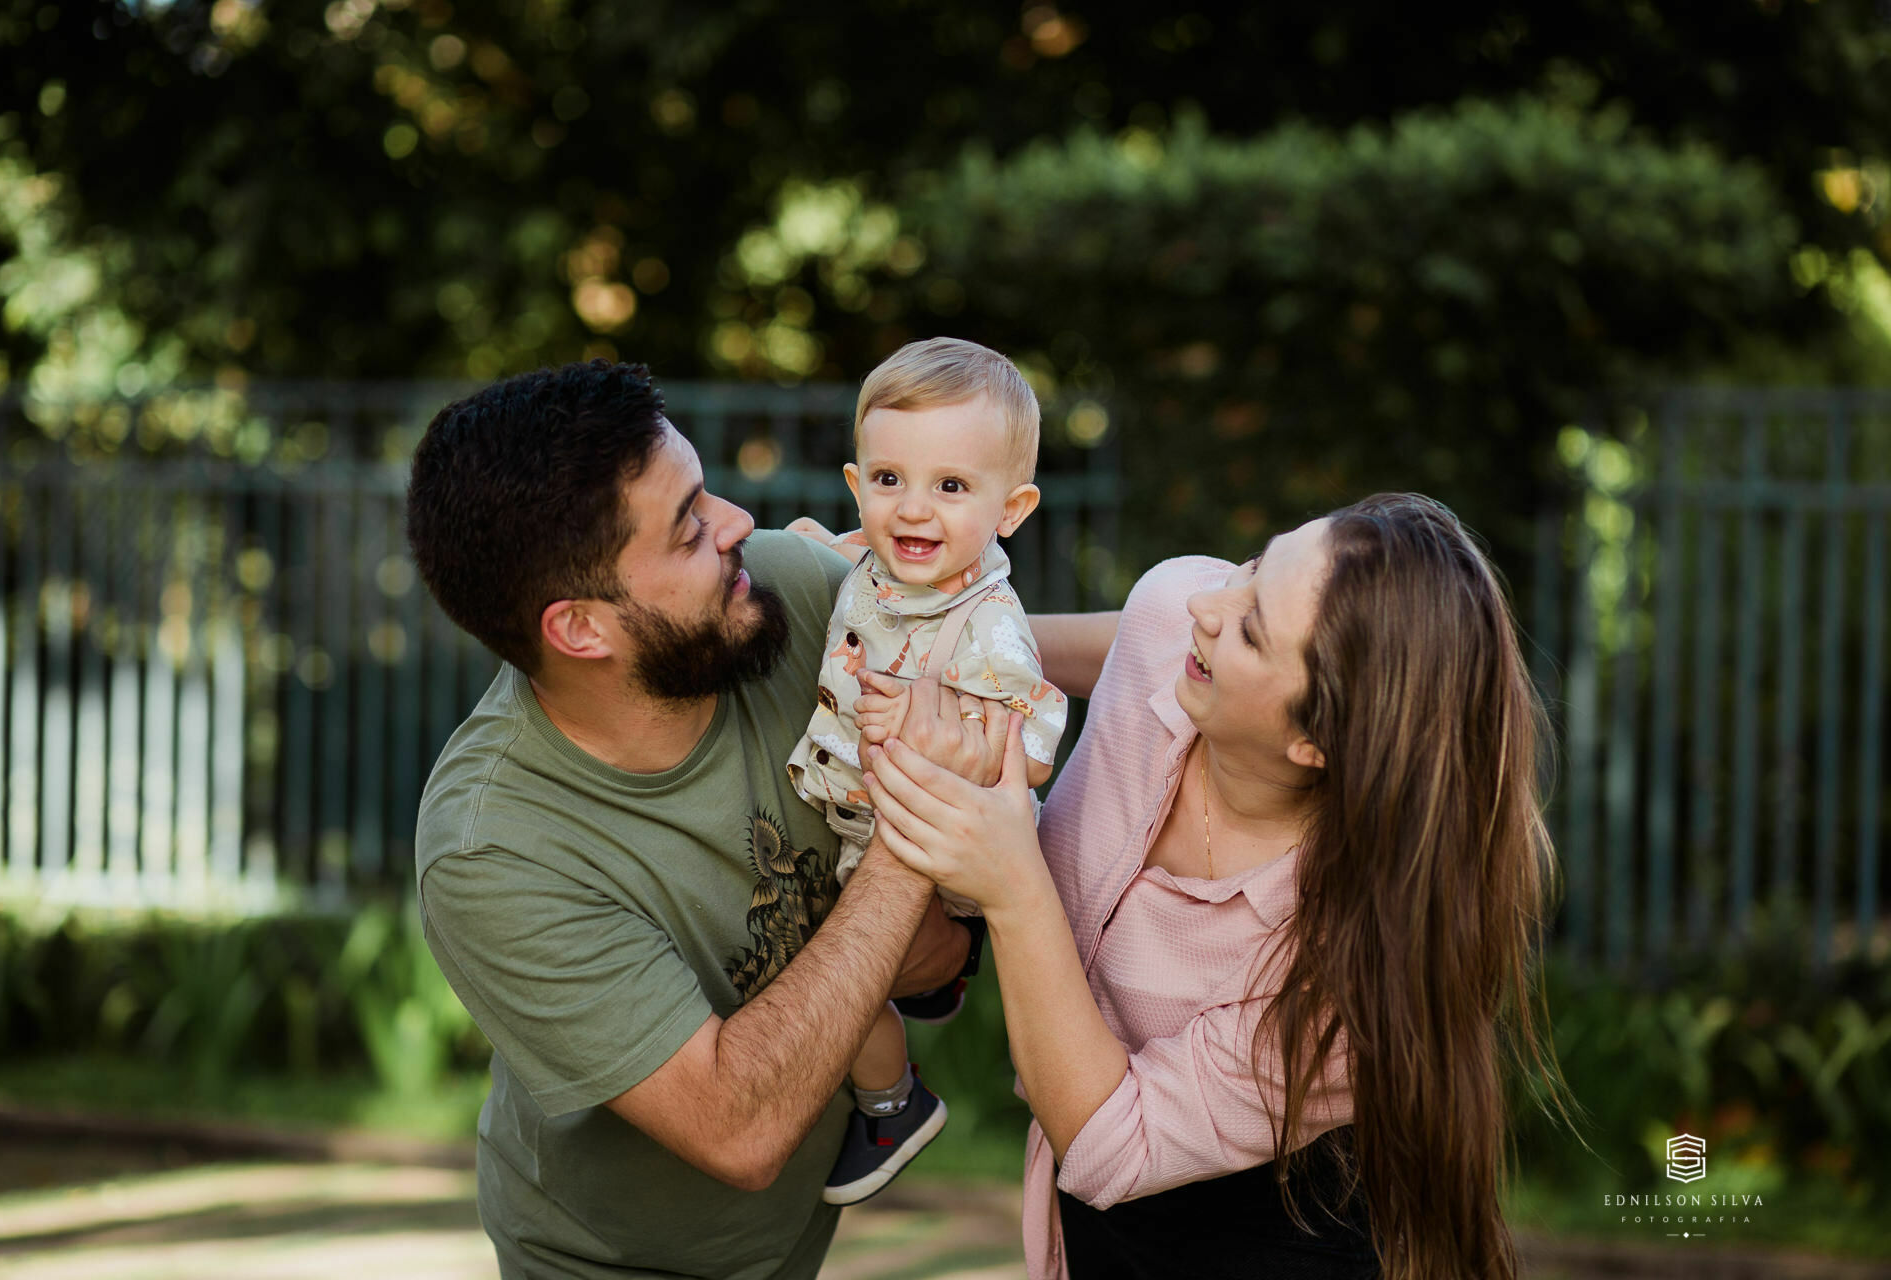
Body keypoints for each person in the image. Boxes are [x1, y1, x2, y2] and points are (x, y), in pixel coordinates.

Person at [404, 360, 1035, 1279]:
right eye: (690, 528)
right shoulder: (495, 848)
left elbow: (991, 658)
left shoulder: (779, 589)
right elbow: (739, 1127)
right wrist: (911, 838)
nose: (740, 523)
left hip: (793, 1254)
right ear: (581, 630)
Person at [859, 494, 1557, 1280]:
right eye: (1252, 566)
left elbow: (1109, 1144)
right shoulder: (1179, 624)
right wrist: (919, 617)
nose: (1206, 603)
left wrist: (1014, 886)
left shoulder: (1336, 973)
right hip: (1089, 1229)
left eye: (1253, 625)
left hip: (1264, 1240)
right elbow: (1130, 636)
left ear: (1315, 740)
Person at [786, 338, 1070, 1205]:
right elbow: (840, 554)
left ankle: (893, 1104)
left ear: (1011, 508)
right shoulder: (884, 561)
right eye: (888, 481)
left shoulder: (990, 632)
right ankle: (936, 981)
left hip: (916, 838)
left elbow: (1029, 747)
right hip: (855, 808)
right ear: (856, 483)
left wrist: (936, 740)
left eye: (951, 487)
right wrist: (804, 542)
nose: (913, 511)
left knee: (822, 978)